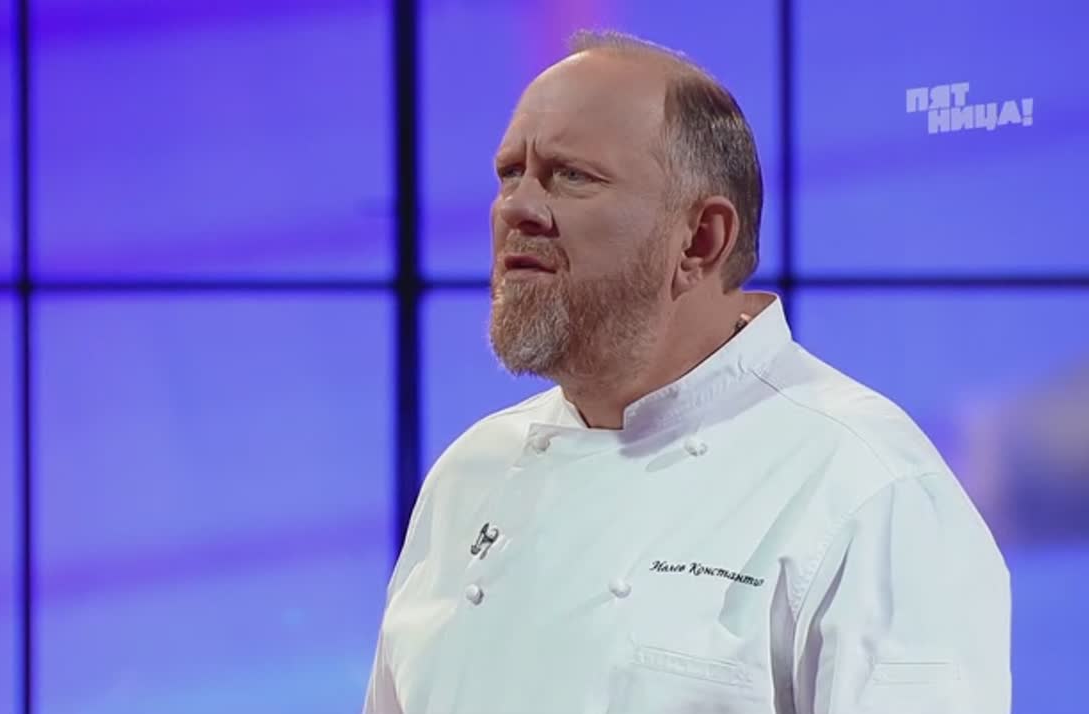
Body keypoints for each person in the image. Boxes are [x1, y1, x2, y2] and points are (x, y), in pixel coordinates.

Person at [362, 30, 1010, 714]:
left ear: (700, 240)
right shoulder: (470, 473)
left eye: (570, 175)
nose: (516, 207)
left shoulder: (866, 486)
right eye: (509, 173)